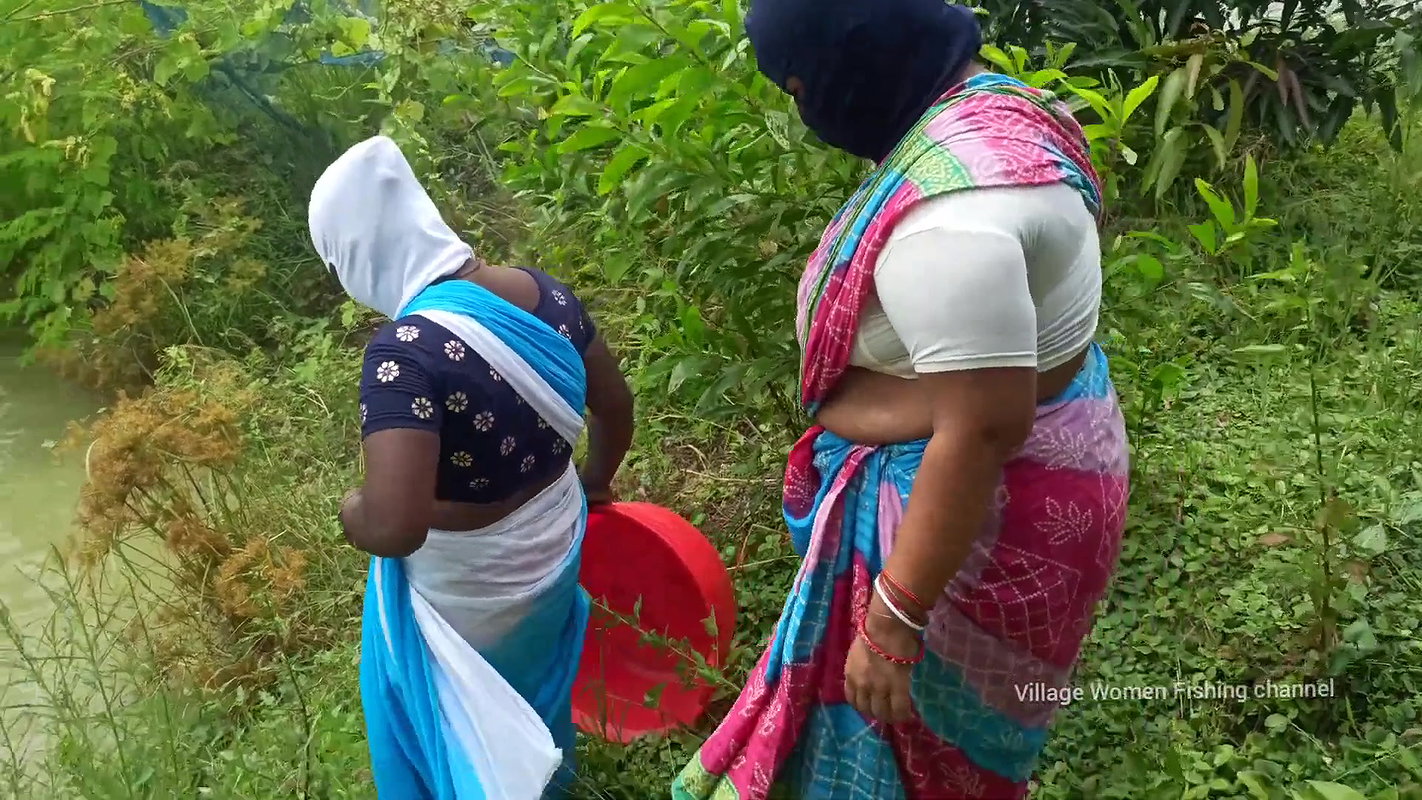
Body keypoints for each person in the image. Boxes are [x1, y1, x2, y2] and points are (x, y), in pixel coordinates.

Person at [673, 2, 1129, 798]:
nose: (803, 108)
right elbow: (998, 388)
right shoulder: (1006, 110)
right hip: (1058, 449)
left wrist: (893, 622)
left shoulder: (948, 229)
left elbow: (984, 428)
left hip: (966, 523)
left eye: (799, 86)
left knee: (922, 750)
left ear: (857, 64)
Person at [308, 135, 634, 798]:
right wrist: (597, 478)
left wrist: (351, 513)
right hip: (555, 550)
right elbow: (616, 404)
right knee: (533, 699)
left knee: (463, 734)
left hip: (467, 595)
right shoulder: (547, 298)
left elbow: (395, 527)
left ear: (359, 256)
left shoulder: (404, 354)